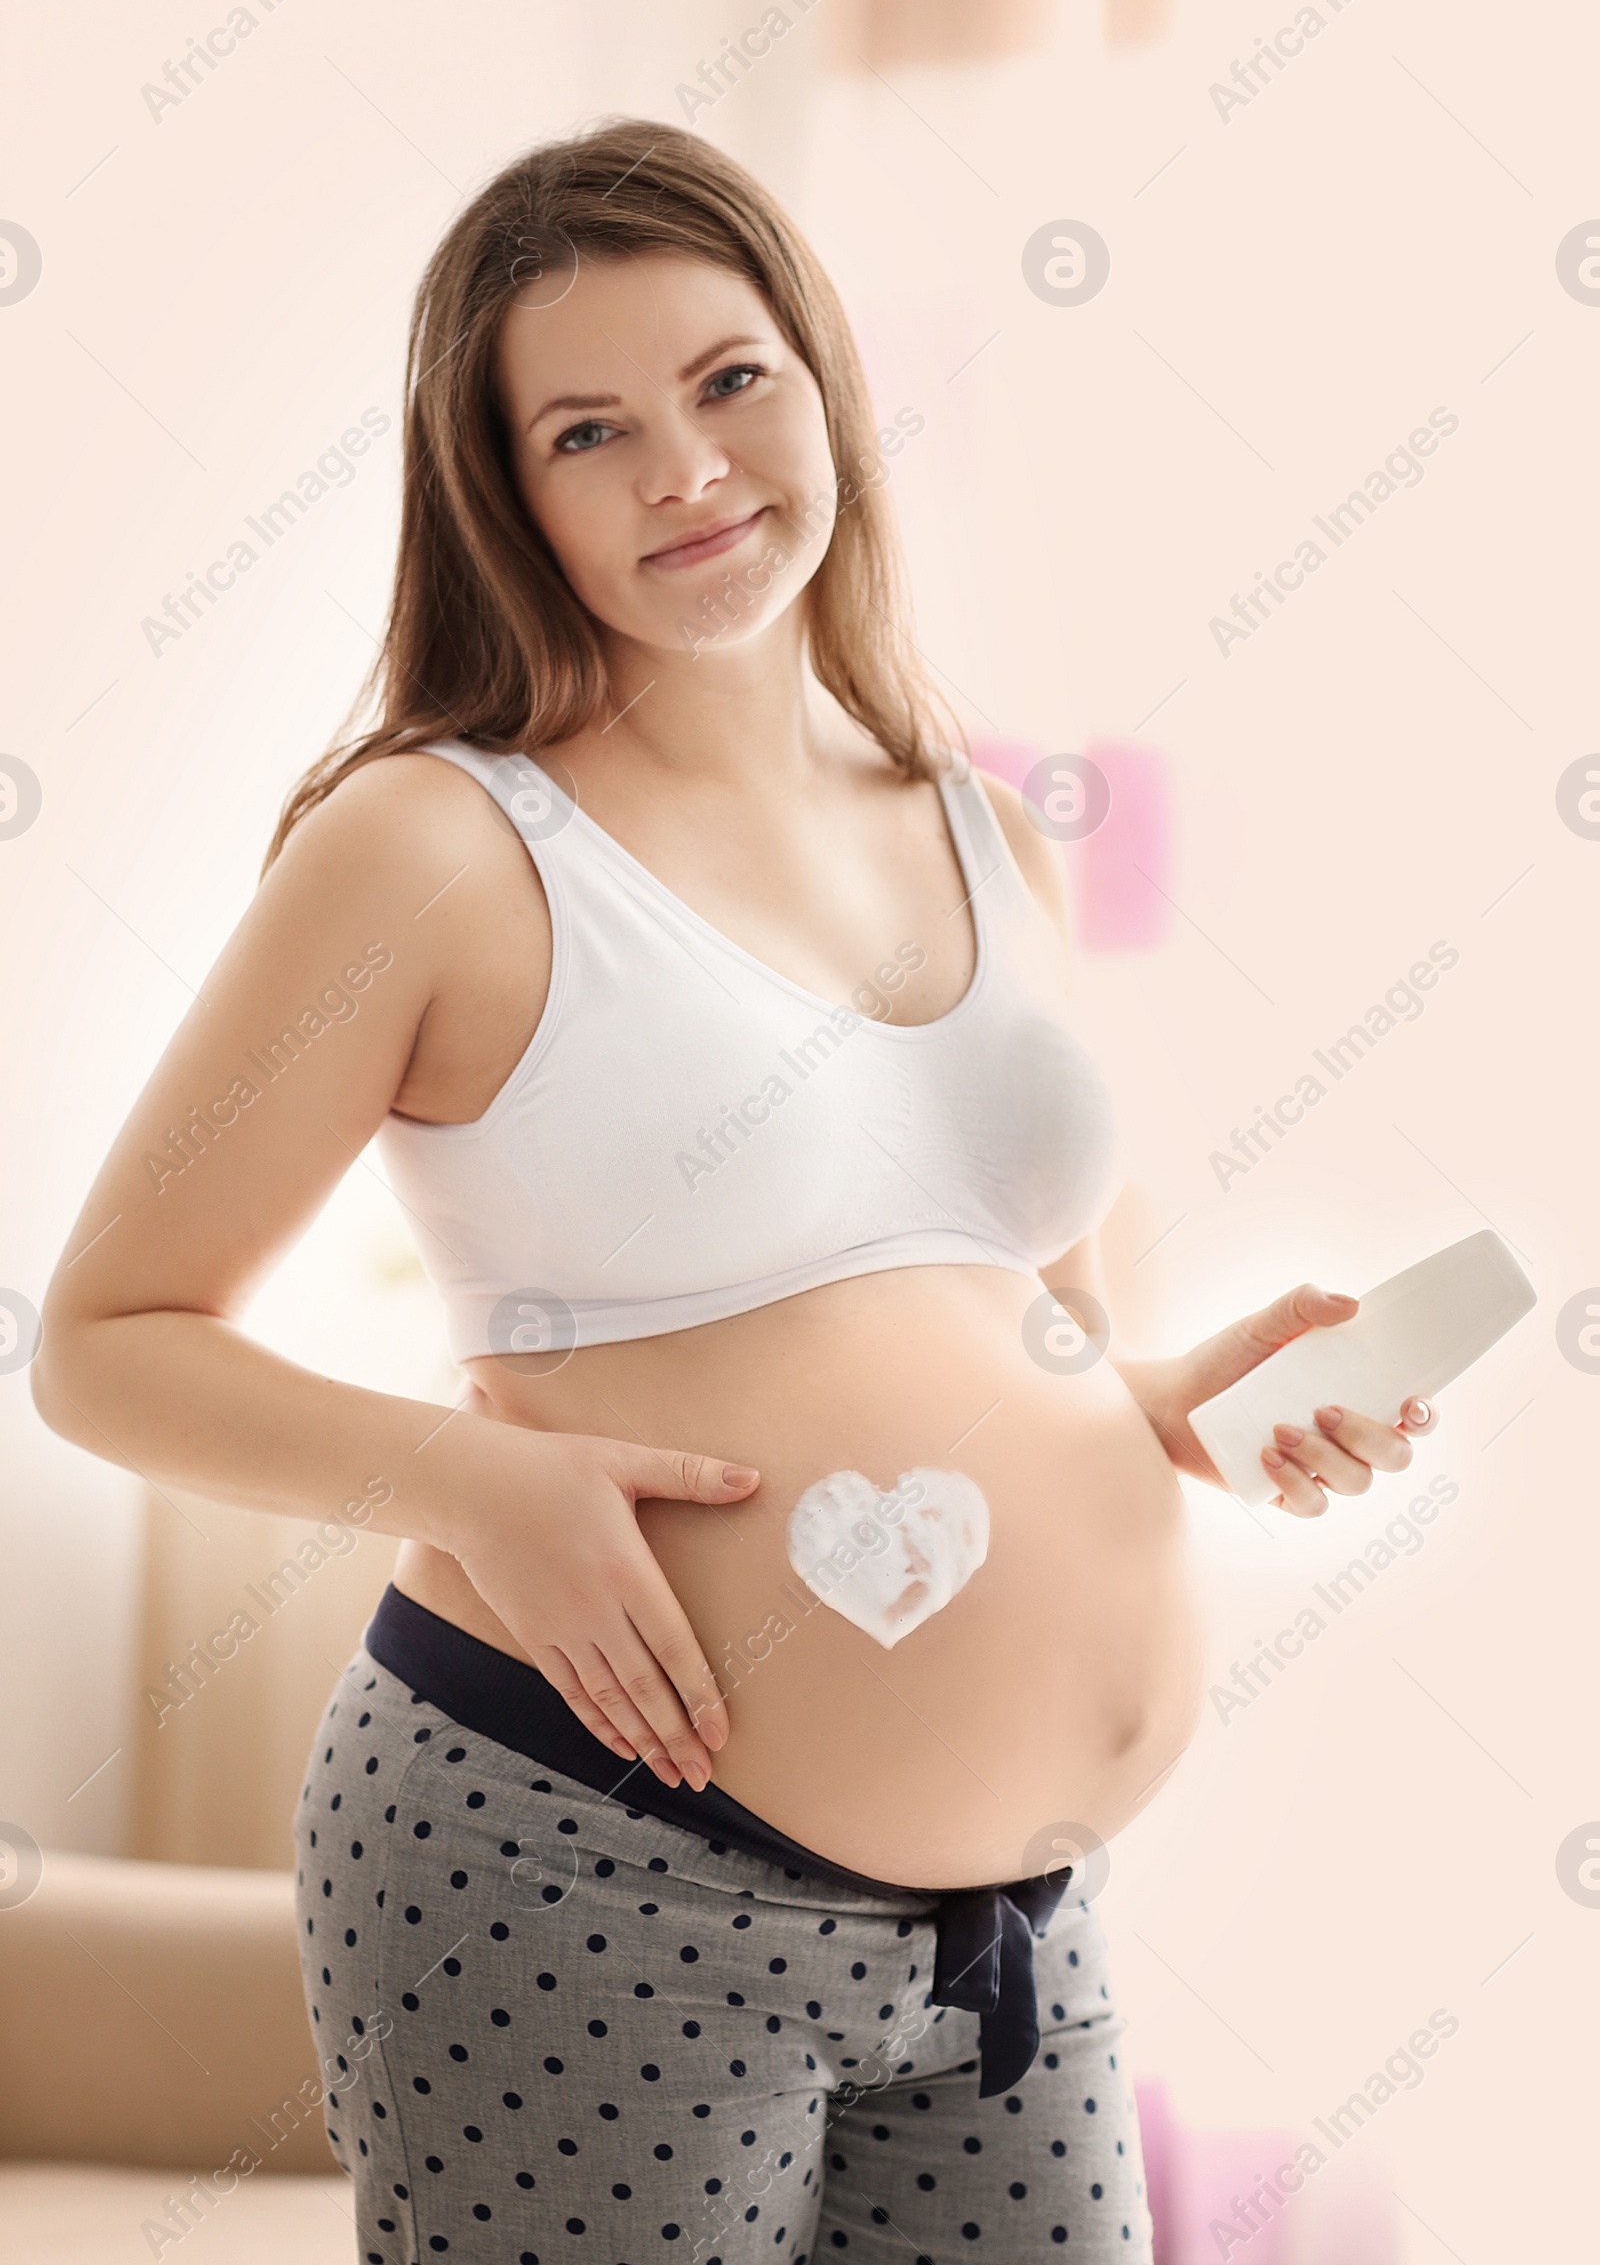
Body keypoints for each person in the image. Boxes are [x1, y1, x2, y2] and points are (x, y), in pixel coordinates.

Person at [34, 118, 1435, 2264]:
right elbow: (104, 1342)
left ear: (822, 382)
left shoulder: (975, 819)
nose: (682, 470)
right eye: (586, 429)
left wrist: (1177, 1399)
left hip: (1007, 1926)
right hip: (579, 1861)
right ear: (505, 493)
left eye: (725, 381)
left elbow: (1007, 1315)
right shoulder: (433, 849)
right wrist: (484, 1483)